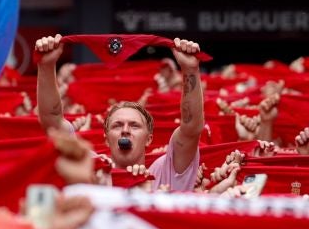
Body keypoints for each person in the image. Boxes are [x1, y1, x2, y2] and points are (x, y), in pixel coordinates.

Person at [34, 35, 205, 190]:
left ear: (149, 138)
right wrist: (47, 65)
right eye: (117, 125)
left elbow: (191, 128)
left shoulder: (166, 171)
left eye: (134, 125)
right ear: (106, 139)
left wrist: (190, 69)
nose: (125, 129)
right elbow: (52, 122)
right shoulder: (88, 167)